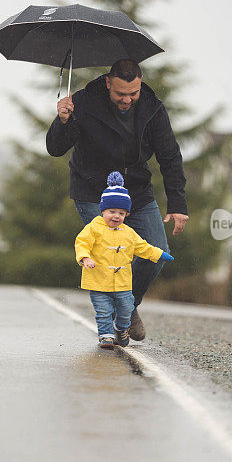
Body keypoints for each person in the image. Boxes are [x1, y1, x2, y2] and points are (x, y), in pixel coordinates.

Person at [47, 58, 189, 341]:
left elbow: (170, 156)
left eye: (133, 93)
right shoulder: (84, 103)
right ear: (108, 83)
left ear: (140, 84)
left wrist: (177, 204)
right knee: (111, 249)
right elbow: (55, 148)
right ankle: (122, 312)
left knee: (156, 251)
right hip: (92, 191)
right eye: (120, 93)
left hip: (136, 190)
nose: (127, 100)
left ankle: (126, 307)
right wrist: (62, 121)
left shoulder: (152, 107)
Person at [75, 172, 174, 348]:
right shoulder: (93, 228)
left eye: (121, 213)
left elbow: (143, 247)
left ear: (126, 214)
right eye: (112, 211)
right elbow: (81, 242)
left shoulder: (128, 232)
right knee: (103, 310)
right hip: (98, 280)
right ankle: (105, 336)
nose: (116, 216)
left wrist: (160, 254)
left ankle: (121, 329)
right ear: (103, 210)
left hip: (123, 283)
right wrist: (85, 257)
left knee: (126, 309)